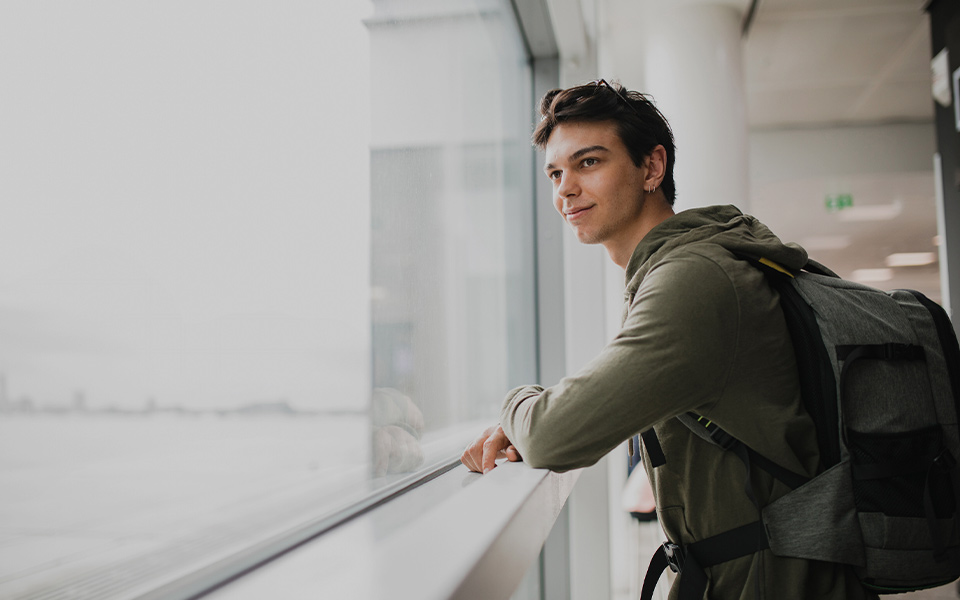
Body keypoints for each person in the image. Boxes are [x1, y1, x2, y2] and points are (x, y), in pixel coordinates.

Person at [460, 80, 875, 600]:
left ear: (652, 168)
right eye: (555, 172)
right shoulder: (683, 267)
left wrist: (515, 402)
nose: (564, 188)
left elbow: (551, 435)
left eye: (588, 163)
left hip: (773, 582)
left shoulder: (694, 279)